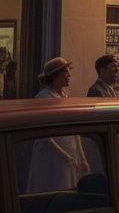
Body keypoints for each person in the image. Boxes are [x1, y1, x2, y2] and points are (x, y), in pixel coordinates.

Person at [28, 57, 91, 192]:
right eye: (65, 72)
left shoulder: (65, 97)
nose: (69, 75)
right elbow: (43, 133)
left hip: (69, 153)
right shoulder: (44, 98)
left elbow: (74, 130)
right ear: (55, 76)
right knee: (55, 187)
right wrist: (64, 155)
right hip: (52, 156)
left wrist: (81, 156)